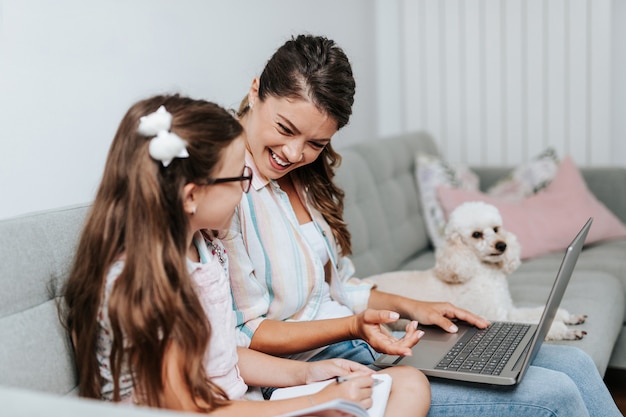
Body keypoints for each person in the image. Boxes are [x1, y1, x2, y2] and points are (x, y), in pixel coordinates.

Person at [224, 34, 622, 417]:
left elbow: (341, 288)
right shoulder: (224, 190)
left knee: (575, 366)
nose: (295, 154)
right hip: (316, 374)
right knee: (555, 395)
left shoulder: (304, 179)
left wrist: (416, 307)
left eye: (316, 143)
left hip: (366, 346)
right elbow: (246, 332)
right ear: (256, 89)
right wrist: (352, 327)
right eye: (285, 129)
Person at [62, 94, 430, 417]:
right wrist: (315, 402)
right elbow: (190, 409)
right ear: (191, 196)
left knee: (411, 385)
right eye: (239, 177)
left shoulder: (206, 250)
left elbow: (224, 356)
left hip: (241, 403)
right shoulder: (143, 285)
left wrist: (310, 374)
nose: (248, 186)